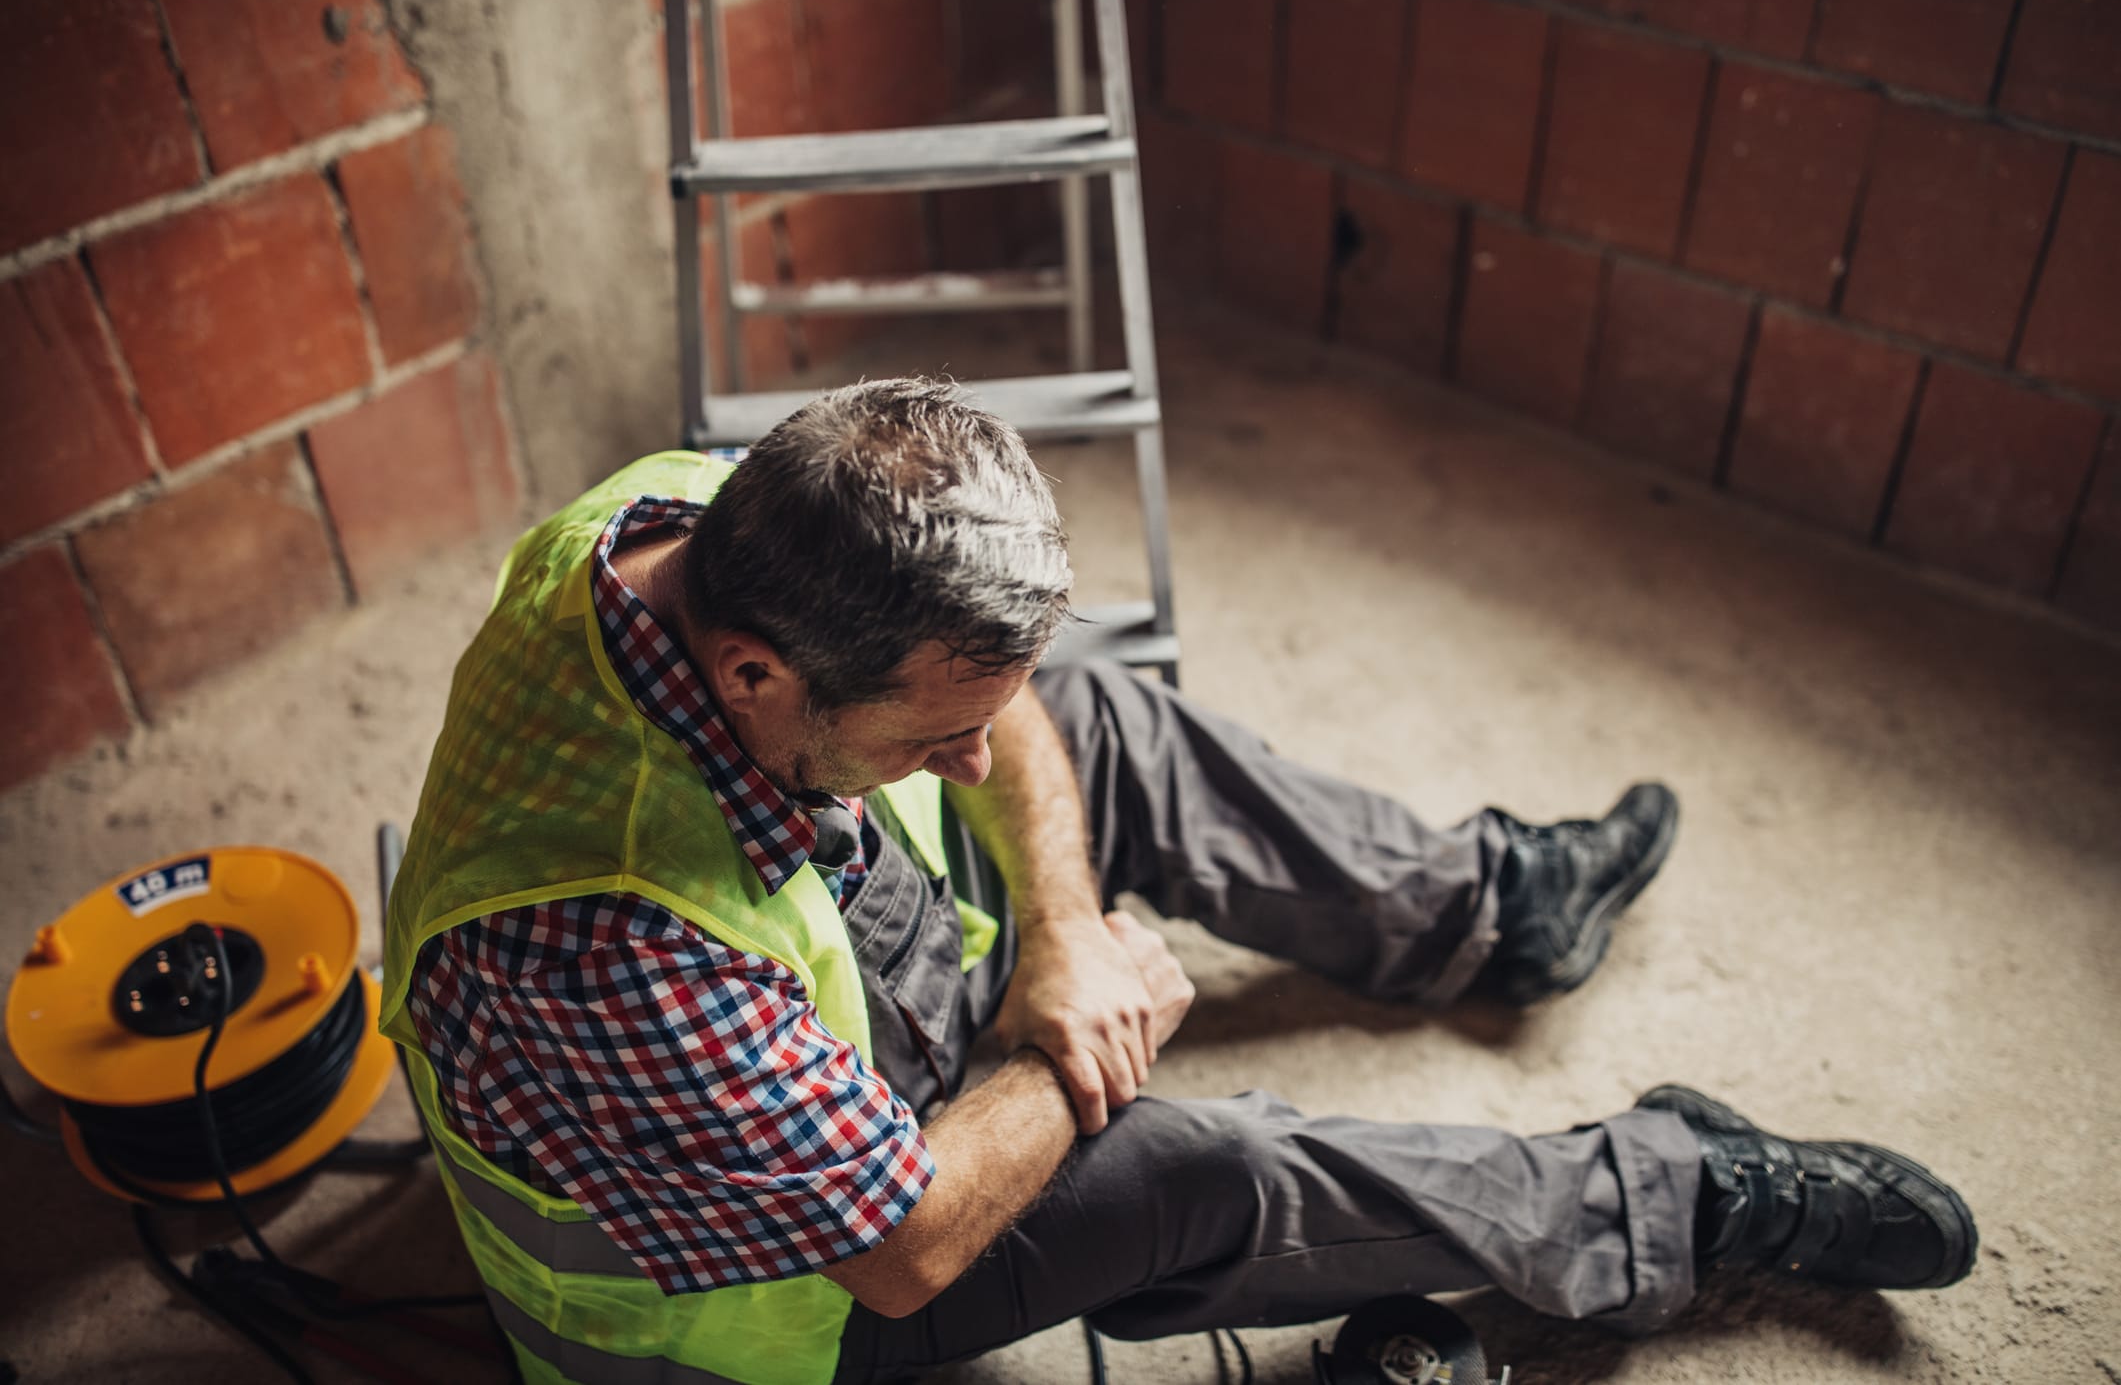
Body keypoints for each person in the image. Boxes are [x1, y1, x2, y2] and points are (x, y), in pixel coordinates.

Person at [380, 379, 1976, 1385]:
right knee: (1201, 1161)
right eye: (929, 732)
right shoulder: (600, 945)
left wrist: (1063, 934)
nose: (968, 760)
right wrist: (1073, 1035)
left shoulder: (692, 514)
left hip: (802, 983)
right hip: (773, 1306)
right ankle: (1677, 1192)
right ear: (751, 675)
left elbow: (1008, 724)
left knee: (1098, 724)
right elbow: (904, 1242)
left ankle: (1484, 909)